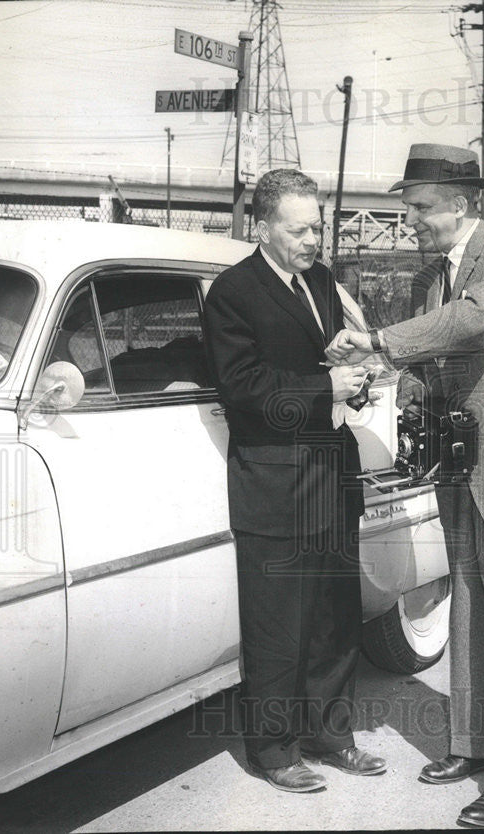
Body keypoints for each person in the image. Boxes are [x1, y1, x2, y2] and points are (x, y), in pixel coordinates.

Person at [325, 144, 484, 827]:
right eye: (408, 207)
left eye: (419, 207)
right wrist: (392, 385)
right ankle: (474, 745)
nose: (409, 219)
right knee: (471, 614)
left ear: (461, 205)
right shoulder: (436, 275)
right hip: (466, 464)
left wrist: (381, 341)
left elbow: (469, 323)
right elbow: (438, 358)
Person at [204, 168, 385, 793]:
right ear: (263, 226)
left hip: (331, 473)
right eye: (299, 228)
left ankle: (331, 735)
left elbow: (327, 362)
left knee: (336, 614)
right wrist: (321, 387)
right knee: (277, 621)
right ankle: (274, 750)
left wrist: (354, 376)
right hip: (275, 483)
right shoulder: (233, 291)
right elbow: (242, 388)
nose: (313, 239)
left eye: (319, 227)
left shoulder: (324, 282)